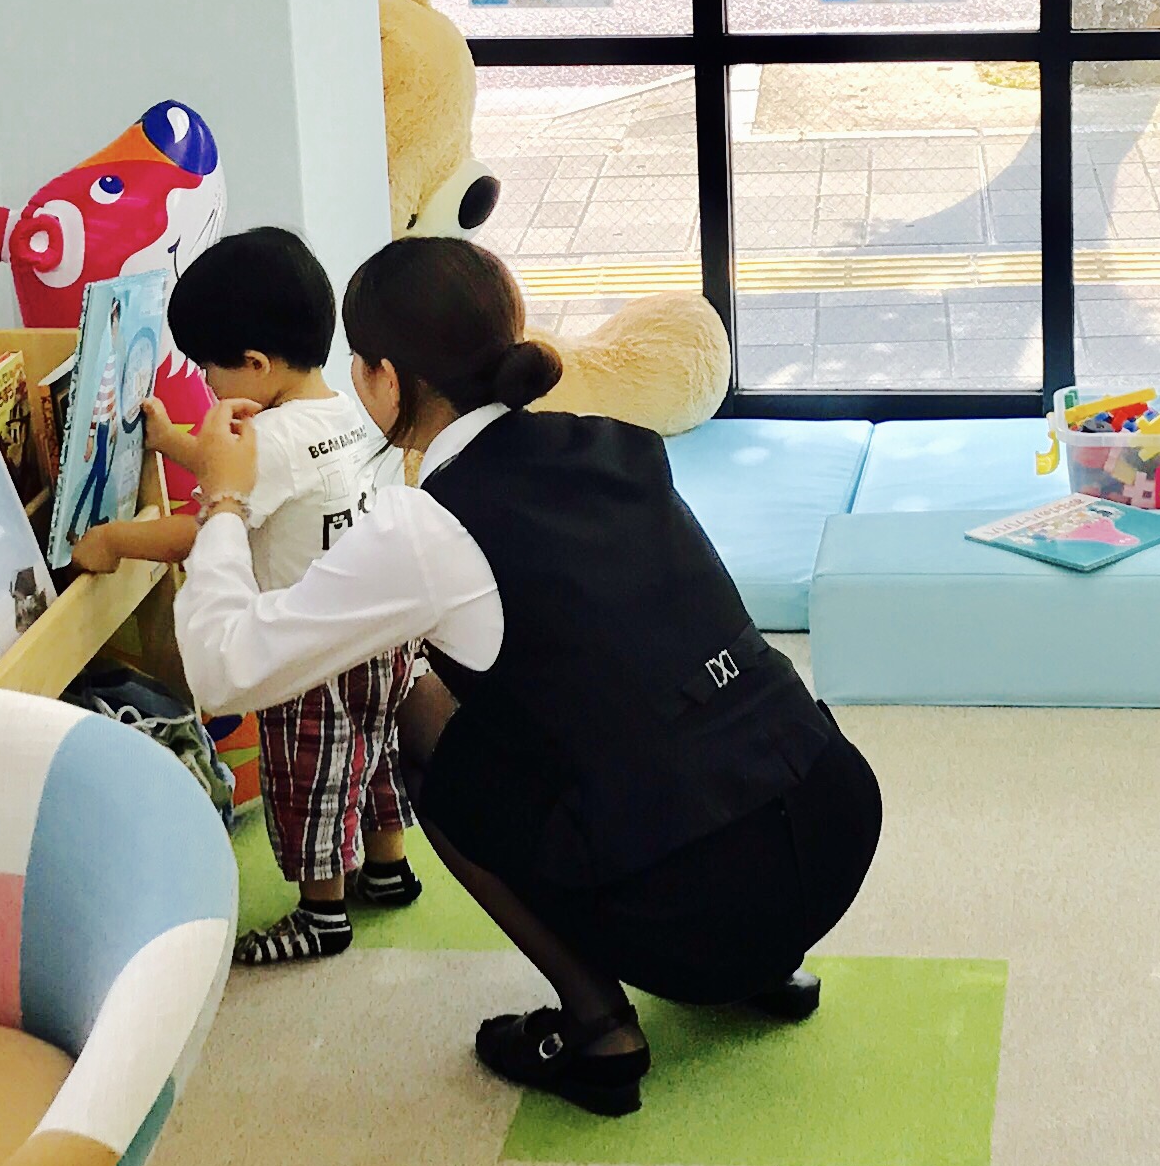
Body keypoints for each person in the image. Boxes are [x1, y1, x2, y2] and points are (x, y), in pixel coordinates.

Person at [164, 235, 882, 1117]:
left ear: (382, 379)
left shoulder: (426, 527)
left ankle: (599, 1031)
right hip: (832, 823)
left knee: (417, 716)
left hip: (695, 916)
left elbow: (224, 671)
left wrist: (225, 499)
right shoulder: (618, 444)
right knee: (646, 696)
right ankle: (766, 962)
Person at [71, 228, 419, 968]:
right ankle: (389, 869)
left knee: (311, 779)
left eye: (208, 368)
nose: (203, 380)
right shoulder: (344, 414)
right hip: (381, 637)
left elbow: (204, 528)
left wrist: (113, 540)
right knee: (374, 755)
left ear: (256, 365)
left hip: (307, 654)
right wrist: (172, 442)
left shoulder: (269, 444)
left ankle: (322, 914)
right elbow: (253, 469)